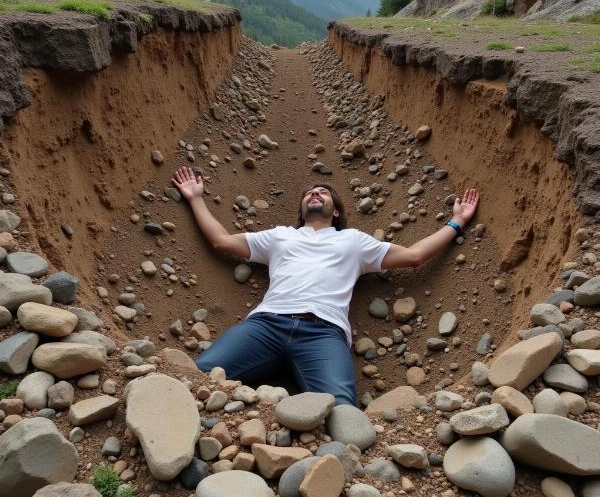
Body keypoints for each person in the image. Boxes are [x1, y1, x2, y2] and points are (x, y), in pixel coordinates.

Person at [171, 166, 480, 405]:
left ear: (335, 211)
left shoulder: (354, 241)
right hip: (266, 326)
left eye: (323, 191)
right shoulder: (281, 236)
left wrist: (457, 222)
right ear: (302, 209)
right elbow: (221, 241)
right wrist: (196, 198)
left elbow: (414, 256)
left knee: (342, 413)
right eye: (310, 192)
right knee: (196, 376)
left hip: (323, 333)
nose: (315, 193)